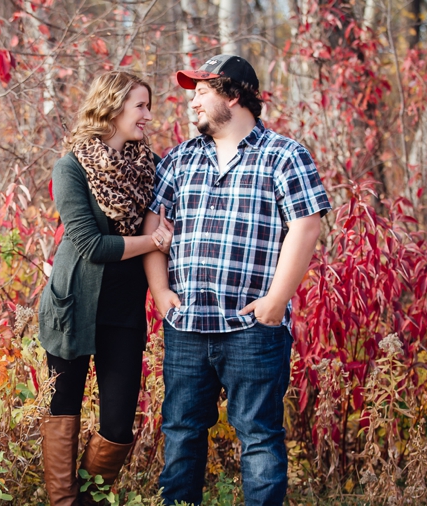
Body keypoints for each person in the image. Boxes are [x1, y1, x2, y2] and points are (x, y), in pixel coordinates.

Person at [140, 54, 331, 505]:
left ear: (234, 95)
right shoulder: (181, 158)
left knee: (260, 437)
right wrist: (161, 291)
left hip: (253, 328)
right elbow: (152, 226)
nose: (193, 104)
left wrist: (275, 302)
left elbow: (307, 226)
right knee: (182, 432)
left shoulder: (284, 155)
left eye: (202, 92)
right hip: (186, 326)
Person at [36, 70, 172, 506]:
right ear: (113, 107)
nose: (148, 116)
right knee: (63, 411)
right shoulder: (70, 167)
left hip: (124, 310)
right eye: (141, 106)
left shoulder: (147, 167)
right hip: (73, 306)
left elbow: (161, 216)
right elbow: (91, 245)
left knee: (117, 423)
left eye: (148, 106)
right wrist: (151, 242)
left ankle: (87, 503)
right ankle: (62, 501)